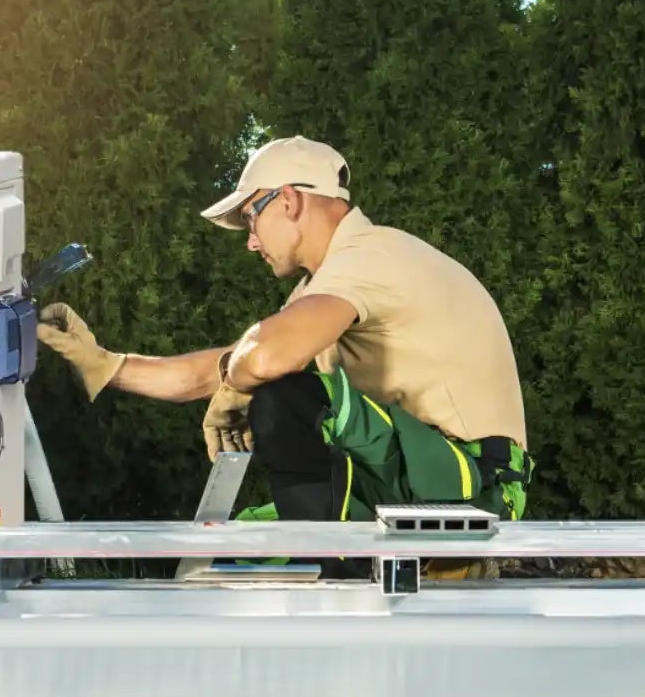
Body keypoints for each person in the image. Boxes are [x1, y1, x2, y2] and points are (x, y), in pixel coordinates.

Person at [35, 136, 532, 533]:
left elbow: (265, 358)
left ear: (290, 201)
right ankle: (322, 563)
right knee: (242, 547)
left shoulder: (372, 258)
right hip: (425, 477)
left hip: (479, 487)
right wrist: (103, 362)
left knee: (285, 396)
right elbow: (226, 364)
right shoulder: (329, 286)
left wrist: (243, 382)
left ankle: (337, 569)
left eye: (252, 217)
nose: (251, 242)